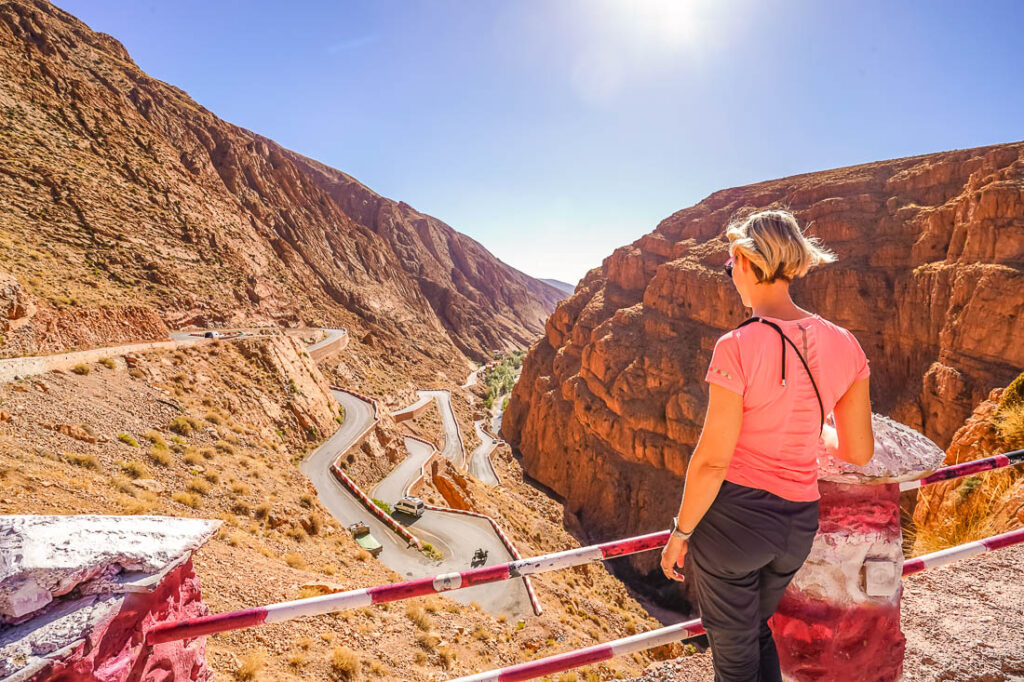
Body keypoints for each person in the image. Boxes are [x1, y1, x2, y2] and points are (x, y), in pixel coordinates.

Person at [659, 209, 875, 682]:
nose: (730, 273)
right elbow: (859, 451)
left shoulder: (736, 345)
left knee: (732, 661)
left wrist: (680, 533)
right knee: (756, 631)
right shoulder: (847, 344)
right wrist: (811, 430)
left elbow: (713, 460)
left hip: (735, 522)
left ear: (743, 259)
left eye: (729, 263)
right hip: (797, 524)